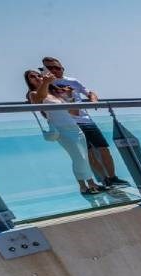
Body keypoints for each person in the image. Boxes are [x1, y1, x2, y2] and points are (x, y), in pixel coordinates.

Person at [41, 56, 127, 187]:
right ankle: (104, 180)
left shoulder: (73, 81)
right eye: (49, 68)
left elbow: (90, 92)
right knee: (89, 154)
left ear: (62, 68)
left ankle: (113, 177)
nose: (54, 70)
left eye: (57, 67)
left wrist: (94, 100)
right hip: (70, 123)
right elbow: (41, 100)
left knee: (104, 149)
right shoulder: (47, 85)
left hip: (86, 120)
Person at [24, 69, 101, 195]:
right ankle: (85, 185)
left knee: (84, 157)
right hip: (61, 130)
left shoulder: (54, 94)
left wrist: (69, 96)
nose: (37, 77)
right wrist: (46, 83)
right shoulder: (33, 94)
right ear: (29, 81)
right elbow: (39, 100)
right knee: (78, 157)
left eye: (38, 75)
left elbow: (74, 112)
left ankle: (89, 184)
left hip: (75, 128)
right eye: (32, 77)